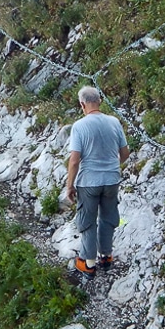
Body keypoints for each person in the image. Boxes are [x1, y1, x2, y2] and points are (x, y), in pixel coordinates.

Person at [66, 86, 130, 277]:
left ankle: (89, 263)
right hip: (111, 179)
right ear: (100, 101)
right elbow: (125, 153)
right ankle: (106, 256)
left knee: (88, 220)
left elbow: (75, 160)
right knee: (108, 217)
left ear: (82, 104)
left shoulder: (79, 126)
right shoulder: (114, 122)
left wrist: (70, 185)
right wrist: (110, 165)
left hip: (89, 182)